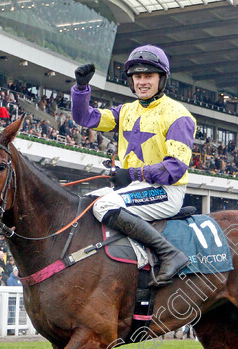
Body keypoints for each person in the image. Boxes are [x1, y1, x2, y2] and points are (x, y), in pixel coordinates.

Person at [71, 45, 195, 285]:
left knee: (103, 206)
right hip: (134, 187)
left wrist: (132, 173)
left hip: (166, 191)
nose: (142, 82)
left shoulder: (179, 115)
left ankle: (169, 253)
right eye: (138, 76)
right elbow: (85, 118)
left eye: (148, 76)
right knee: (85, 204)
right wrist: (81, 89)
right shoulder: (126, 111)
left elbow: (174, 169)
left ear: (162, 79)